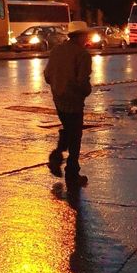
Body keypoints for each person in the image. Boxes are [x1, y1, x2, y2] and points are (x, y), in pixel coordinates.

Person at [44, 29, 92, 187]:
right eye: (86, 35)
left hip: (59, 100)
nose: (87, 38)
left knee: (69, 130)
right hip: (74, 101)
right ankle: (72, 173)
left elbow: (47, 75)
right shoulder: (82, 54)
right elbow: (82, 81)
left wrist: (58, 87)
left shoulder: (57, 50)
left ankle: (56, 158)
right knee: (75, 136)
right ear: (80, 37)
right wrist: (85, 92)